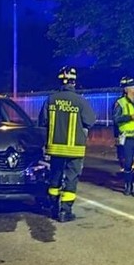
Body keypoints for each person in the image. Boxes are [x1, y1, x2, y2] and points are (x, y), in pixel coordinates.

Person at [38, 66, 96, 222]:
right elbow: (90, 121)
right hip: (75, 148)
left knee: (55, 176)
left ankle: (52, 207)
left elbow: (42, 122)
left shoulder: (50, 99)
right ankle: (65, 211)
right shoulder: (80, 101)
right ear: (74, 82)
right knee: (71, 178)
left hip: (55, 147)